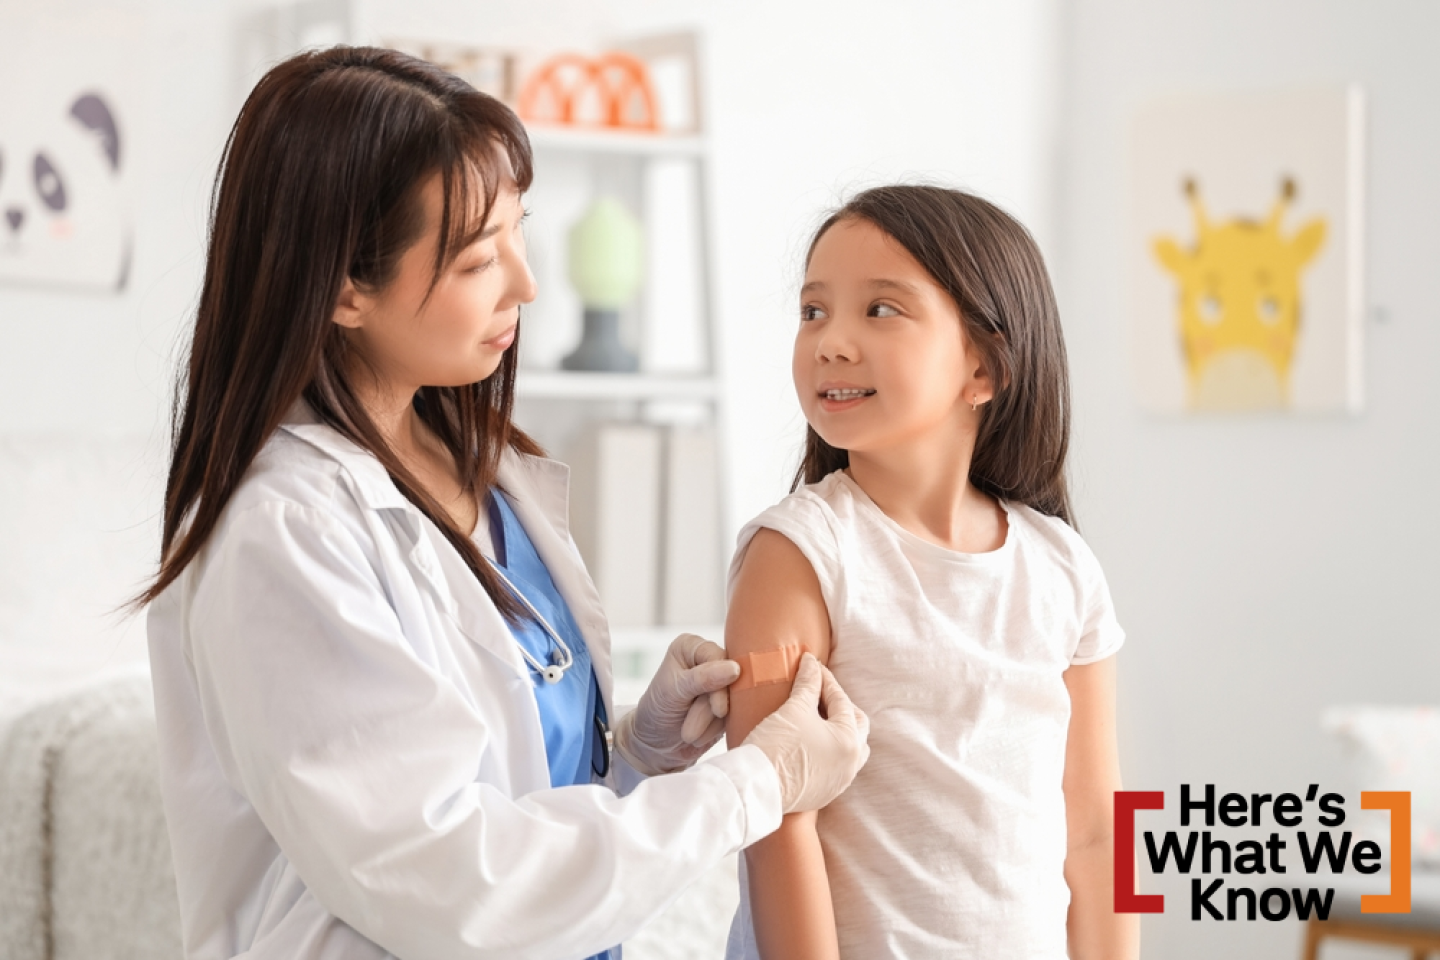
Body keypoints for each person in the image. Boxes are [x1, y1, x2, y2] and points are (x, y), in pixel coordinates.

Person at [139, 46, 870, 960]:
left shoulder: (481, 471)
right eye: (480, 259)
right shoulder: (283, 531)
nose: (527, 284)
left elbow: (513, 792)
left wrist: (638, 750)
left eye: (520, 232)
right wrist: (757, 782)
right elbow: (454, 886)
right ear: (344, 288)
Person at [722, 185, 1138, 959]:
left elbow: (1098, 828)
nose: (831, 342)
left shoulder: (1063, 569)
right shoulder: (799, 556)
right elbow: (778, 824)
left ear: (983, 366)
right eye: (814, 311)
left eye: (880, 310)